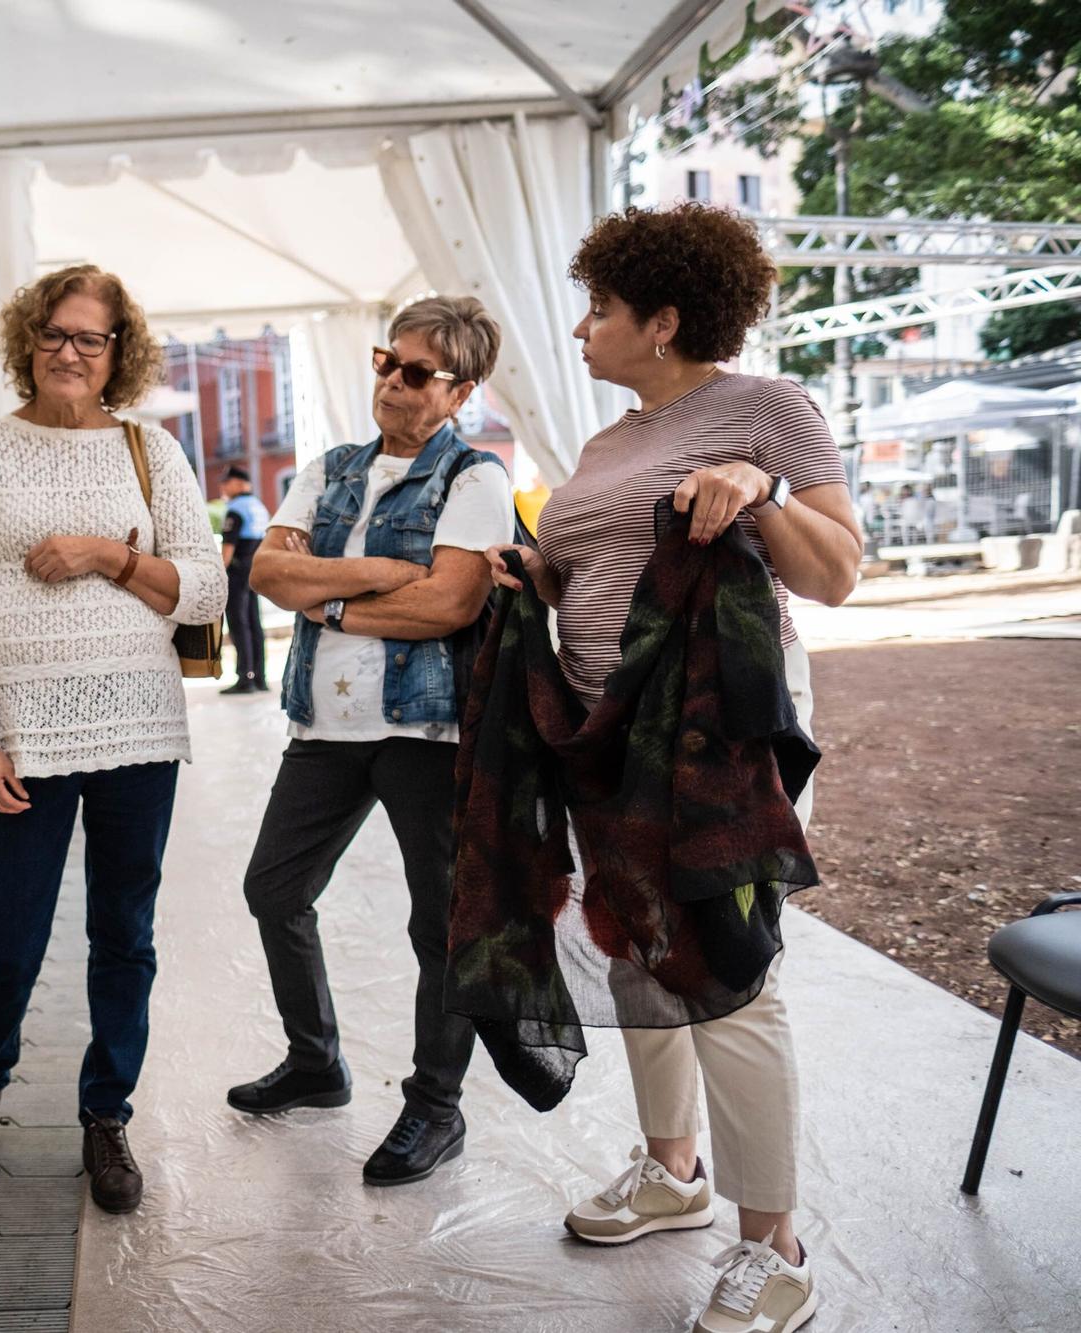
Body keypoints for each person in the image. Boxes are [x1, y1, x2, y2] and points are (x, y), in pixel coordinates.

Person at [485, 203, 859, 1333]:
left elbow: (837, 571)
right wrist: (530, 580)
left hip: (718, 730)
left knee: (725, 968)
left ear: (660, 319)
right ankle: (672, 1171)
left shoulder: (768, 408)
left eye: (597, 309)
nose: (580, 329)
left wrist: (757, 485)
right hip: (603, 726)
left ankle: (774, 1246)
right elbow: (577, 570)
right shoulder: (603, 445)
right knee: (638, 944)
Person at [0, 265, 226, 1214]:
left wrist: (103, 553)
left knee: (123, 933)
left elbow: (205, 590)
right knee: (9, 932)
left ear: (118, 353)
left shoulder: (151, 451)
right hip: (19, 740)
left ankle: (106, 1112)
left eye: (91, 338)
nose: (70, 352)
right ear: (26, 341)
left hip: (137, 731)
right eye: (54, 333)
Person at [225, 296, 516, 1186]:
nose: (392, 380)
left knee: (441, 923)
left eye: (416, 371)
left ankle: (436, 1106)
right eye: (387, 360)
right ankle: (317, 1063)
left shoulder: (474, 479)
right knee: (274, 889)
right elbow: (269, 572)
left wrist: (335, 602)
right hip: (324, 724)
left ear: (459, 389)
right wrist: (383, 572)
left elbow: (453, 602)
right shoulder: (330, 467)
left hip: (424, 728)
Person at [218, 464, 271, 693]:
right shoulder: (259, 507)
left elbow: (228, 549)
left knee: (239, 625)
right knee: (255, 623)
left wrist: (218, 575)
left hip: (238, 573)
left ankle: (245, 678)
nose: (224, 487)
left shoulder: (236, 509)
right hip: (256, 571)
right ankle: (259, 676)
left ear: (238, 483)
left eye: (226, 482)